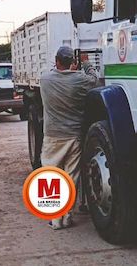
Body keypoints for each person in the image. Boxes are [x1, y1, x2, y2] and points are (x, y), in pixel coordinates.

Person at [39, 45, 98, 230]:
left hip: (53, 137)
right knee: (71, 177)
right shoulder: (80, 80)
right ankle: (67, 216)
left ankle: (56, 219)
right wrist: (86, 62)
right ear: (72, 62)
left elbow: (54, 73)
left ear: (57, 61)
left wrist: (68, 70)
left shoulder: (45, 79)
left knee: (52, 177)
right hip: (74, 136)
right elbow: (94, 79)